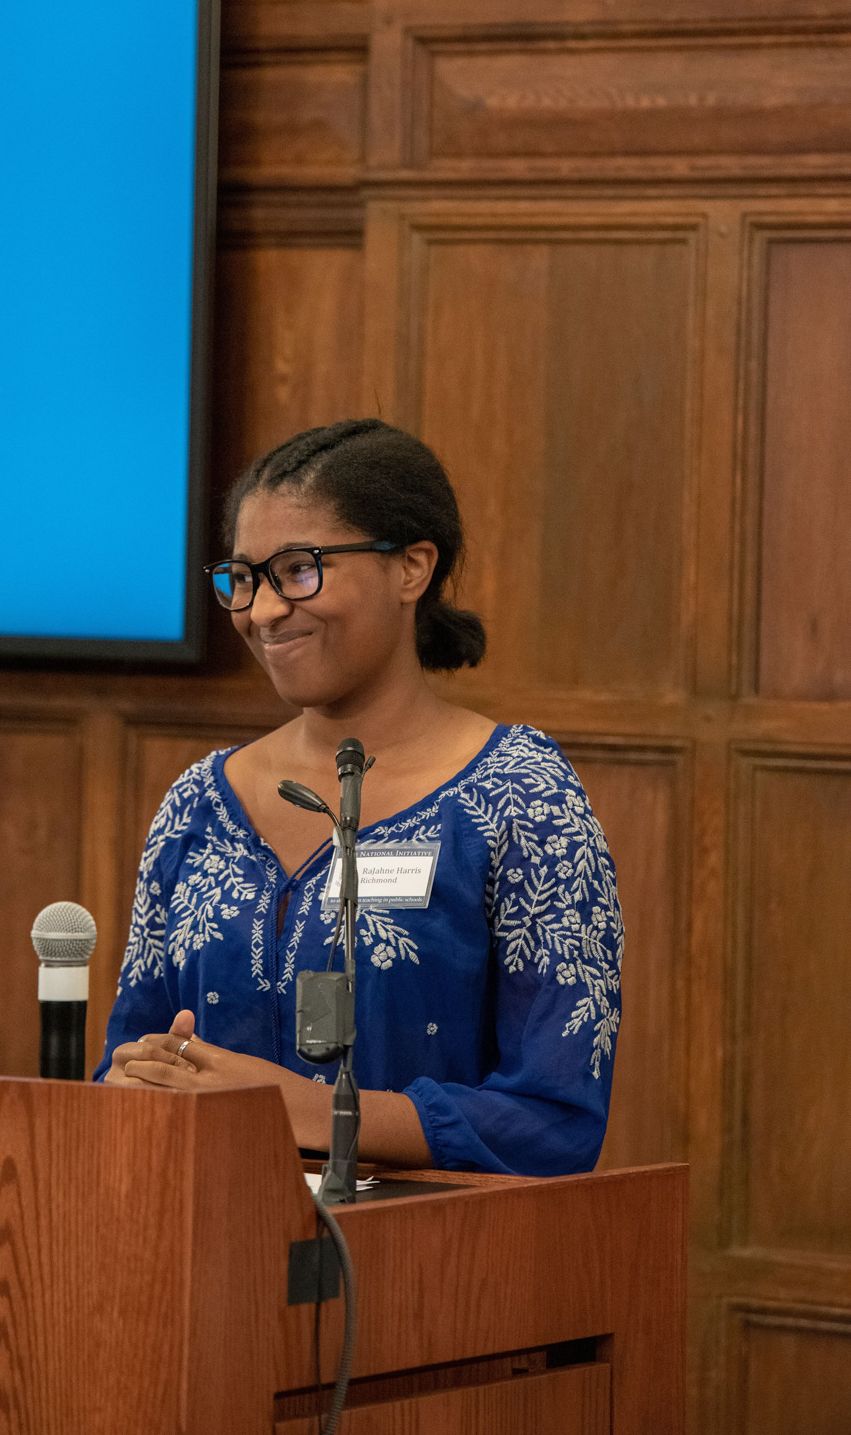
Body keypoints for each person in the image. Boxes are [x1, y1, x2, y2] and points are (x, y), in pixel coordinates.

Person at [95, 420, 623, 1174]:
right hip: (195, 1250)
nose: (263, 611)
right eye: (243, 579)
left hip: (430, 1268)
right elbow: (131, 1061)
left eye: (299, 570)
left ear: (411, 568)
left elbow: (554, 1121)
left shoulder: (521, 798)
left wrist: (294, 1108)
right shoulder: (199, 805)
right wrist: (129, 1084)